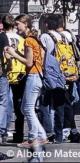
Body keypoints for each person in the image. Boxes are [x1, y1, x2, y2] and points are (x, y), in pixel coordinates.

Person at [5, 14, 47, 148]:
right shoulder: (34, 39)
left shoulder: (28, 40)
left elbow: (29, 63)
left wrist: (13, 54)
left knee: (28, 108)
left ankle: (33, 138)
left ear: (26, 24)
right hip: (36, 75)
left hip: (33, 76)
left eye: (18, 24)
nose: (16, 27)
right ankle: (41, 135)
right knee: (25, 108)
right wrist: (17, 52)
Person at [40, 14, 80, 143]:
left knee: (48, 103)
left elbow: (43, 56)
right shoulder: (67, 35)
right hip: (68, 71)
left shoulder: (45, 37)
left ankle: (52, 133)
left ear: (47, 24)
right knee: (65, 102)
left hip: (54, 73)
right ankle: (68, 131)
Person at [2, 15, 26, 143]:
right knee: (18, 105)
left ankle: (4, 131)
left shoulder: (2, 38)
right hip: (19, 74)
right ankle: (19, 133)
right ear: (13, 25)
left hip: (5, 73)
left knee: (4, 103)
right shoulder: (21, 39)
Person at [0, 17, 11, 144]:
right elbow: (7, 54)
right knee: (3, 101)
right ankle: (1, 131)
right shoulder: (3, 36)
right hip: (1, 72)